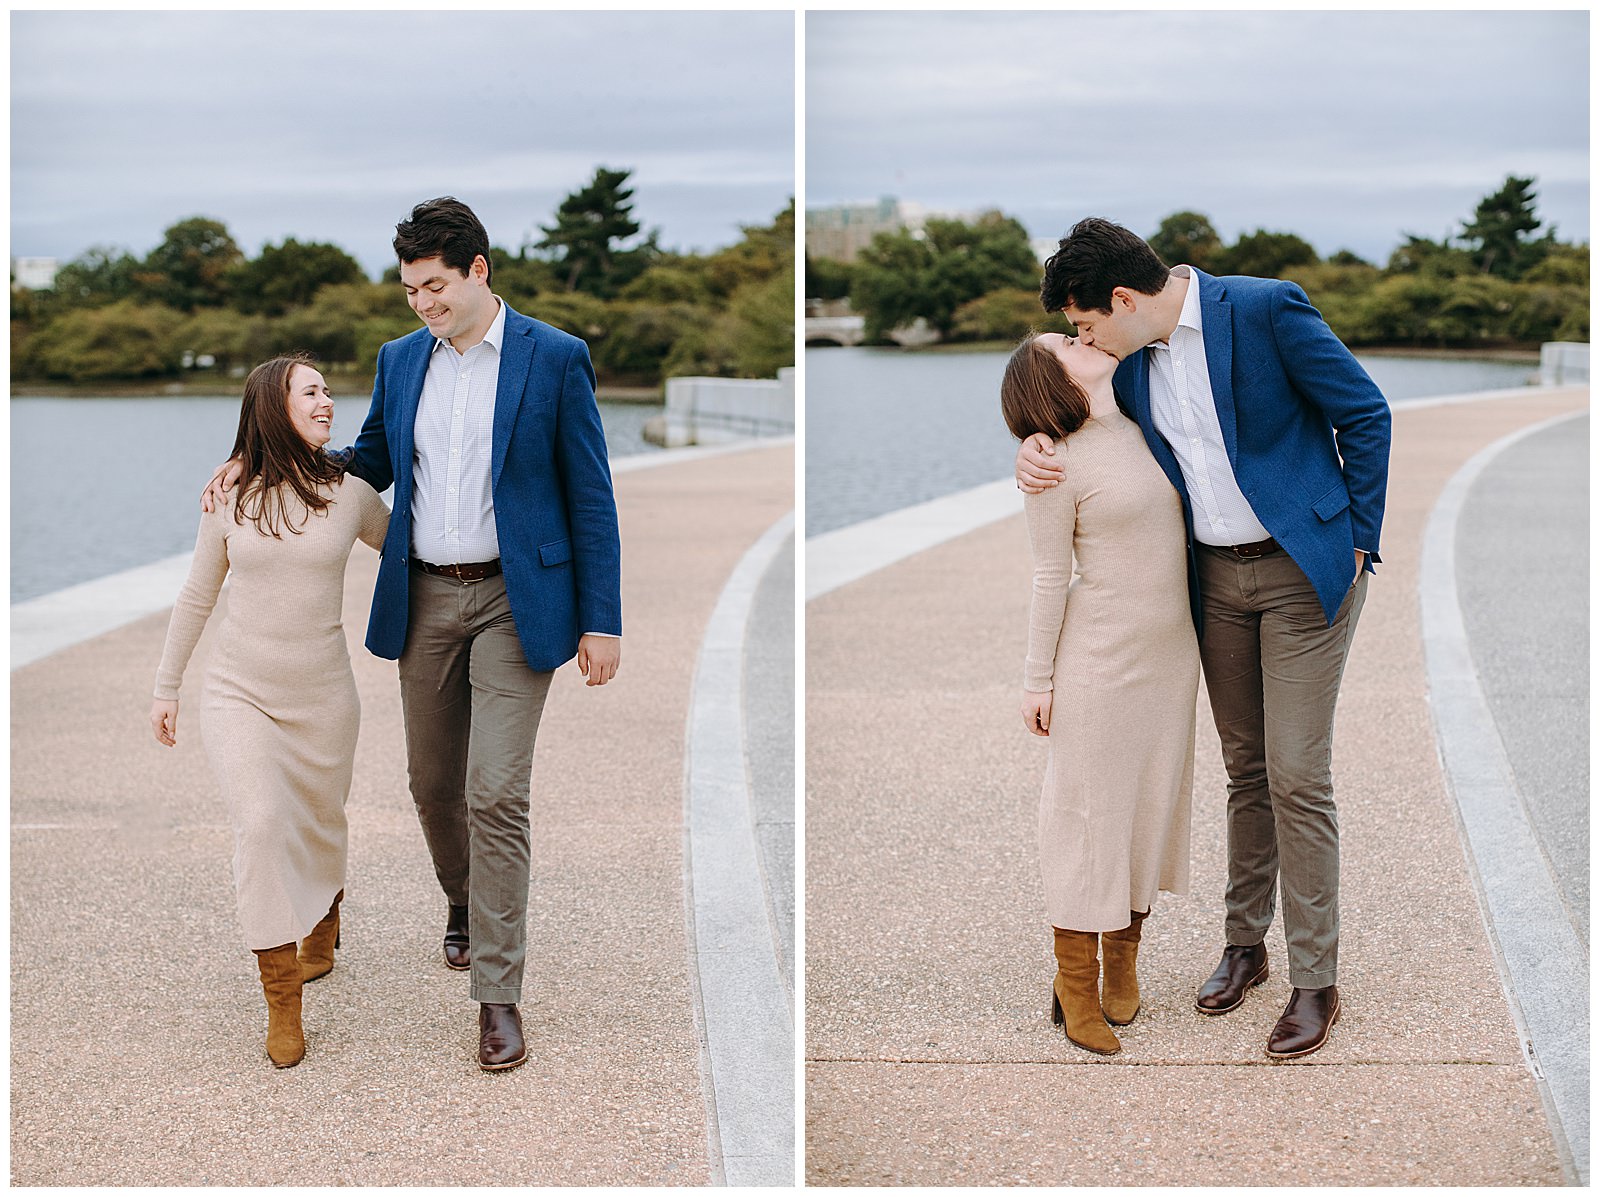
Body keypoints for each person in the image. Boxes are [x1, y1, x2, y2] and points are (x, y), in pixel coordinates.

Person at [204, 197, 623, 1072]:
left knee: (496, 789)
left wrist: (601, 617)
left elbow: (590, 493)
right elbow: (369, 460)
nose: (422, 303)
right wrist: (265, 455)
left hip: (520, 601)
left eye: (434, 285)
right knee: (434, 786)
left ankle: (498, 996)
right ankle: (463, 903)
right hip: (427, 596)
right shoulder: (402, 362)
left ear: (479, 270)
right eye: (409, 290)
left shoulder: (554, 358)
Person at [1016, 217, 1390, 1059]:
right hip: (1213, 584)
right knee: (1245, 767)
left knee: (1297, 771)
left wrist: (1360, 534)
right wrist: (1030, 446)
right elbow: (1081, 428)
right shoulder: (1132, 365)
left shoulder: (1264, 310)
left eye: (1084, 323)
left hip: (1305, 571)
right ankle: (1244, 946)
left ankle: (1315, 980)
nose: (1085, 338)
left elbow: (1364, 412)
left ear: (1121, 299)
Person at [152, 354, 391, 1069]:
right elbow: (197, 595)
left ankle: (324, 920)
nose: (327, 401)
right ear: (273, 406)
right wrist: (167, 685)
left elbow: (416, 551)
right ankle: (282, 1000)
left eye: (326, 390)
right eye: (311, 391)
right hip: (240, 693)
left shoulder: (349, 493)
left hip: (325, 697)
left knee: (321, 821)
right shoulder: (228, 498)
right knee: (260, 824)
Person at [1002, 331, 1200, 1056]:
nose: (1079, 335)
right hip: (1099, 657)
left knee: (1150, 806)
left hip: (1172, 657)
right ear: (1048, 374)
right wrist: (1035, 679)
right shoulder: (1051, 460)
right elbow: (1049, 575)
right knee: (1086, 816)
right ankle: (1075, 985)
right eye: (1062, 340)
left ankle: (1125, 958)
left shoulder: (1150, 420)